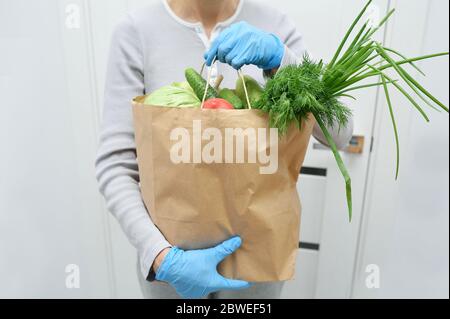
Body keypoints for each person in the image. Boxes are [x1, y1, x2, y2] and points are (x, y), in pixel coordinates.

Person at [95, 0, 353, 299]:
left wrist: (281, 60)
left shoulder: (275, 25)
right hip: (172, 279)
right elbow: (115, 164)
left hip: (256, 279)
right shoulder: (136, 31)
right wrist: (160, 256)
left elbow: (341, 133)